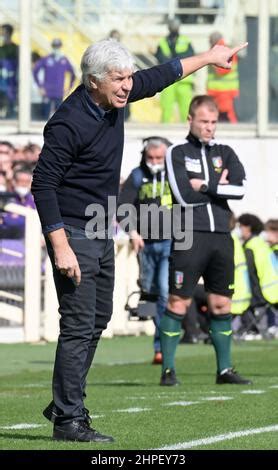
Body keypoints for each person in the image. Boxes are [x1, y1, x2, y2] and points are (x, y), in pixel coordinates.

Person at [31, 38, 248, 442]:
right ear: (94, 81)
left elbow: (166, 74)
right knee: (79, 325)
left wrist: (211, 57)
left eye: (130, 76)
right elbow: (42, 184)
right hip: (75, 233)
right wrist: (59, 246)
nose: (128, 85)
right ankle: (68, 419)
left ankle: (64, 399)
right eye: (119, 78)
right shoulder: (68, 122)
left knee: (97, 319)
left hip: (101, 230)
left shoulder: (115, 96)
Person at [160, 94, 252, 386]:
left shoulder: (225, 151)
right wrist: (219, 187)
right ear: (190, 120)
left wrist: (207, 185)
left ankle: (224, 370)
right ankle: (168, 370)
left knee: (222, 304)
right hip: (189, 236)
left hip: (222, 237)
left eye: (213, 122)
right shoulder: (176, 152)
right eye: (204, 121)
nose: (210, 127)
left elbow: (239, 190)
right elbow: (183, 196)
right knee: (178, 301)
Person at [118, 136, 172, 365]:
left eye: (159, 157)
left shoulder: (174, 175)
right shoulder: (137, 175)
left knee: (164, 290)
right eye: (151, 157)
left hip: (171, 241)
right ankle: (161, 342)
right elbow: (122, 206)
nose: (154, 161)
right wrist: (132, 231)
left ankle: (163, 347)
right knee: (150, 293)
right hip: (146, 243)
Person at [237, 214, 278, 338]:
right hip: (270, 289)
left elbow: (250, 274)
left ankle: (252, 329)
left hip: (262, 291)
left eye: (240, 226)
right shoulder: (261, 245)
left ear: (247, 228)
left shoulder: (251, 247)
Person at [155, 18, 195, 123]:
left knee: (185, 109)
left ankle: (188, 133)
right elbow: (159, 57)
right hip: (168, 80)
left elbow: (190, 56)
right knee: (166, 107)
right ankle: (164, 131)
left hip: (184, 79)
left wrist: (172, 59)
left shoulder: (186, 40)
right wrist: (177, 58)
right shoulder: (162, 42)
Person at [33, 38, 75, 120]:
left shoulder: (64, 60)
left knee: (59, 117)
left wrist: (69, 88)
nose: (56, 48)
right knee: (44, 117)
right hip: (47, 92)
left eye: (58, 46)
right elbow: (35, 71)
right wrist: (40, 86)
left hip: (58, 92)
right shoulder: (46, 59)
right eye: (54, 46)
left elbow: (73, 74)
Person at [207, 32, 240, 123]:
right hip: (217, 92)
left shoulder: (224, 51)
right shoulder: (218, 51)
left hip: (224, 92)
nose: (209, 43)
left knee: (228, 116)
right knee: (218, 117)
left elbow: (224, 70)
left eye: (210, 41)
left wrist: (211, 61)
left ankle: (234, 133)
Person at [0, 24, 18, 118]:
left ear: (8, 33)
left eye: (2, 32)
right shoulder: (1, 49)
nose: (1, 34)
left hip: (12, 84)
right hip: (2, 83)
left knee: (11, 108)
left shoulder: (16, 49)